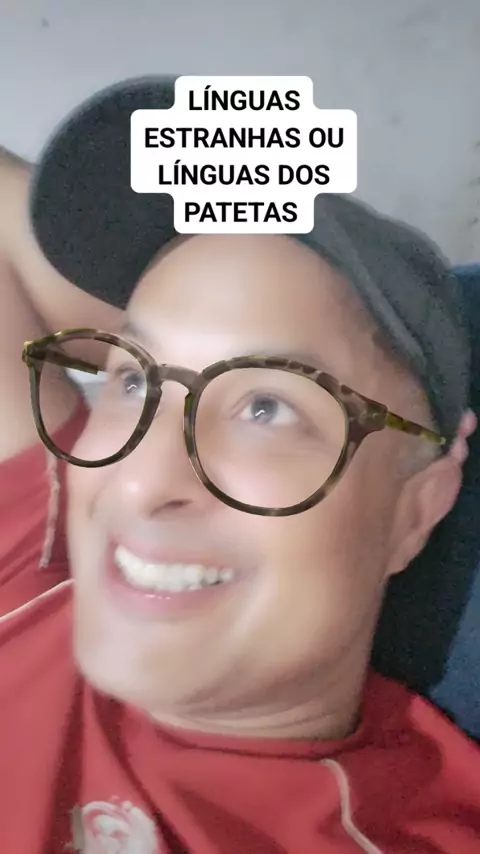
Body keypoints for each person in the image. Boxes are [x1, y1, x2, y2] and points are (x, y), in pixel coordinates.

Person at [0, 77, 479, 853]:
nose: (139, 482)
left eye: (265, 408)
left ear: (416, 508)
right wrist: (249, 204)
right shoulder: (25, 574)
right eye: (133, 380)